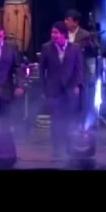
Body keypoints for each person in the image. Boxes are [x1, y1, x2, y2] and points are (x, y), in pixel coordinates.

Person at [39, 21, 85, 158]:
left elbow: (79, 70)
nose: (53, 35)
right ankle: (57, 150)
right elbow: (42, 71)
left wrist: (76, 85)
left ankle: (69, 148)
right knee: (56, 121)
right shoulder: (46, 48)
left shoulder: (75, 48)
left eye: (56, 33)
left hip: (70, 90)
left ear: (64, 34)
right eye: (52, 32)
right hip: (53, 90)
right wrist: (43, 90)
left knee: (69, 120)